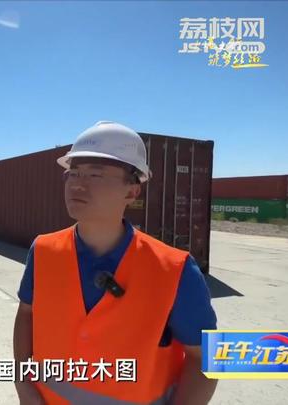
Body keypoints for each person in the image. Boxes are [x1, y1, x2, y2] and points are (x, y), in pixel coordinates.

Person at [13, 121, 218, 405]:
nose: (77, 184)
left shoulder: (175, 269)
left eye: (95, 174)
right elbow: (26, 314)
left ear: (132, 192)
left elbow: (205, 358)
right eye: (73, 173)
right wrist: (22, 383)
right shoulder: (44, 250)